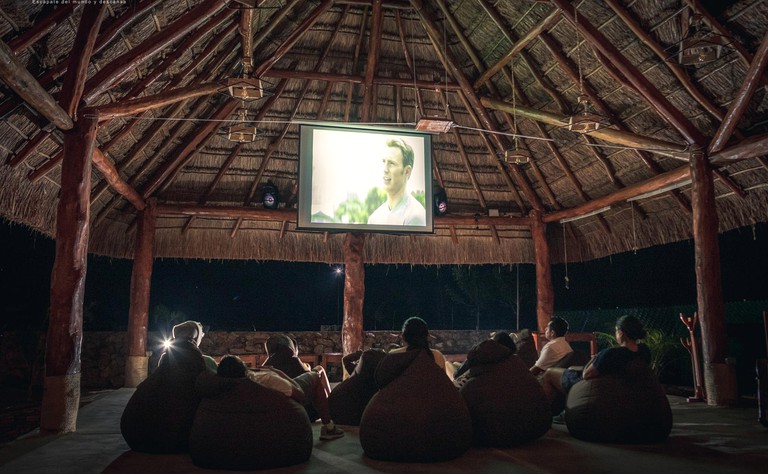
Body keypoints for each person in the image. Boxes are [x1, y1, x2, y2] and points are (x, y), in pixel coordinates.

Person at [541, 315, 651, 422]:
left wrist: (595, 358)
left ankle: (543, 415)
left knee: (549, 374)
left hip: (591, 385)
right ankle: (565, 410)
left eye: (616, 331)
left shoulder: (612, 353)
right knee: (570, 369)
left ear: (621, 333)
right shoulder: (644, 352)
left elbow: (586, 375)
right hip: (618, 389)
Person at [219, 355, 345, 441]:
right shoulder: (266, 378)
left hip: (276, 395)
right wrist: (278, 372)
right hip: (288, 390)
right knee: (315, 376)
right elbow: (300, 395)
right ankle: (329, 427)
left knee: (317, 371)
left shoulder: (226, 386)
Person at [367, 138, 426, 226]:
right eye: (384, 162)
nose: (385, 169)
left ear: (407, 171)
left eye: (391, 163)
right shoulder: (374, 218)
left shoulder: (415, 216)